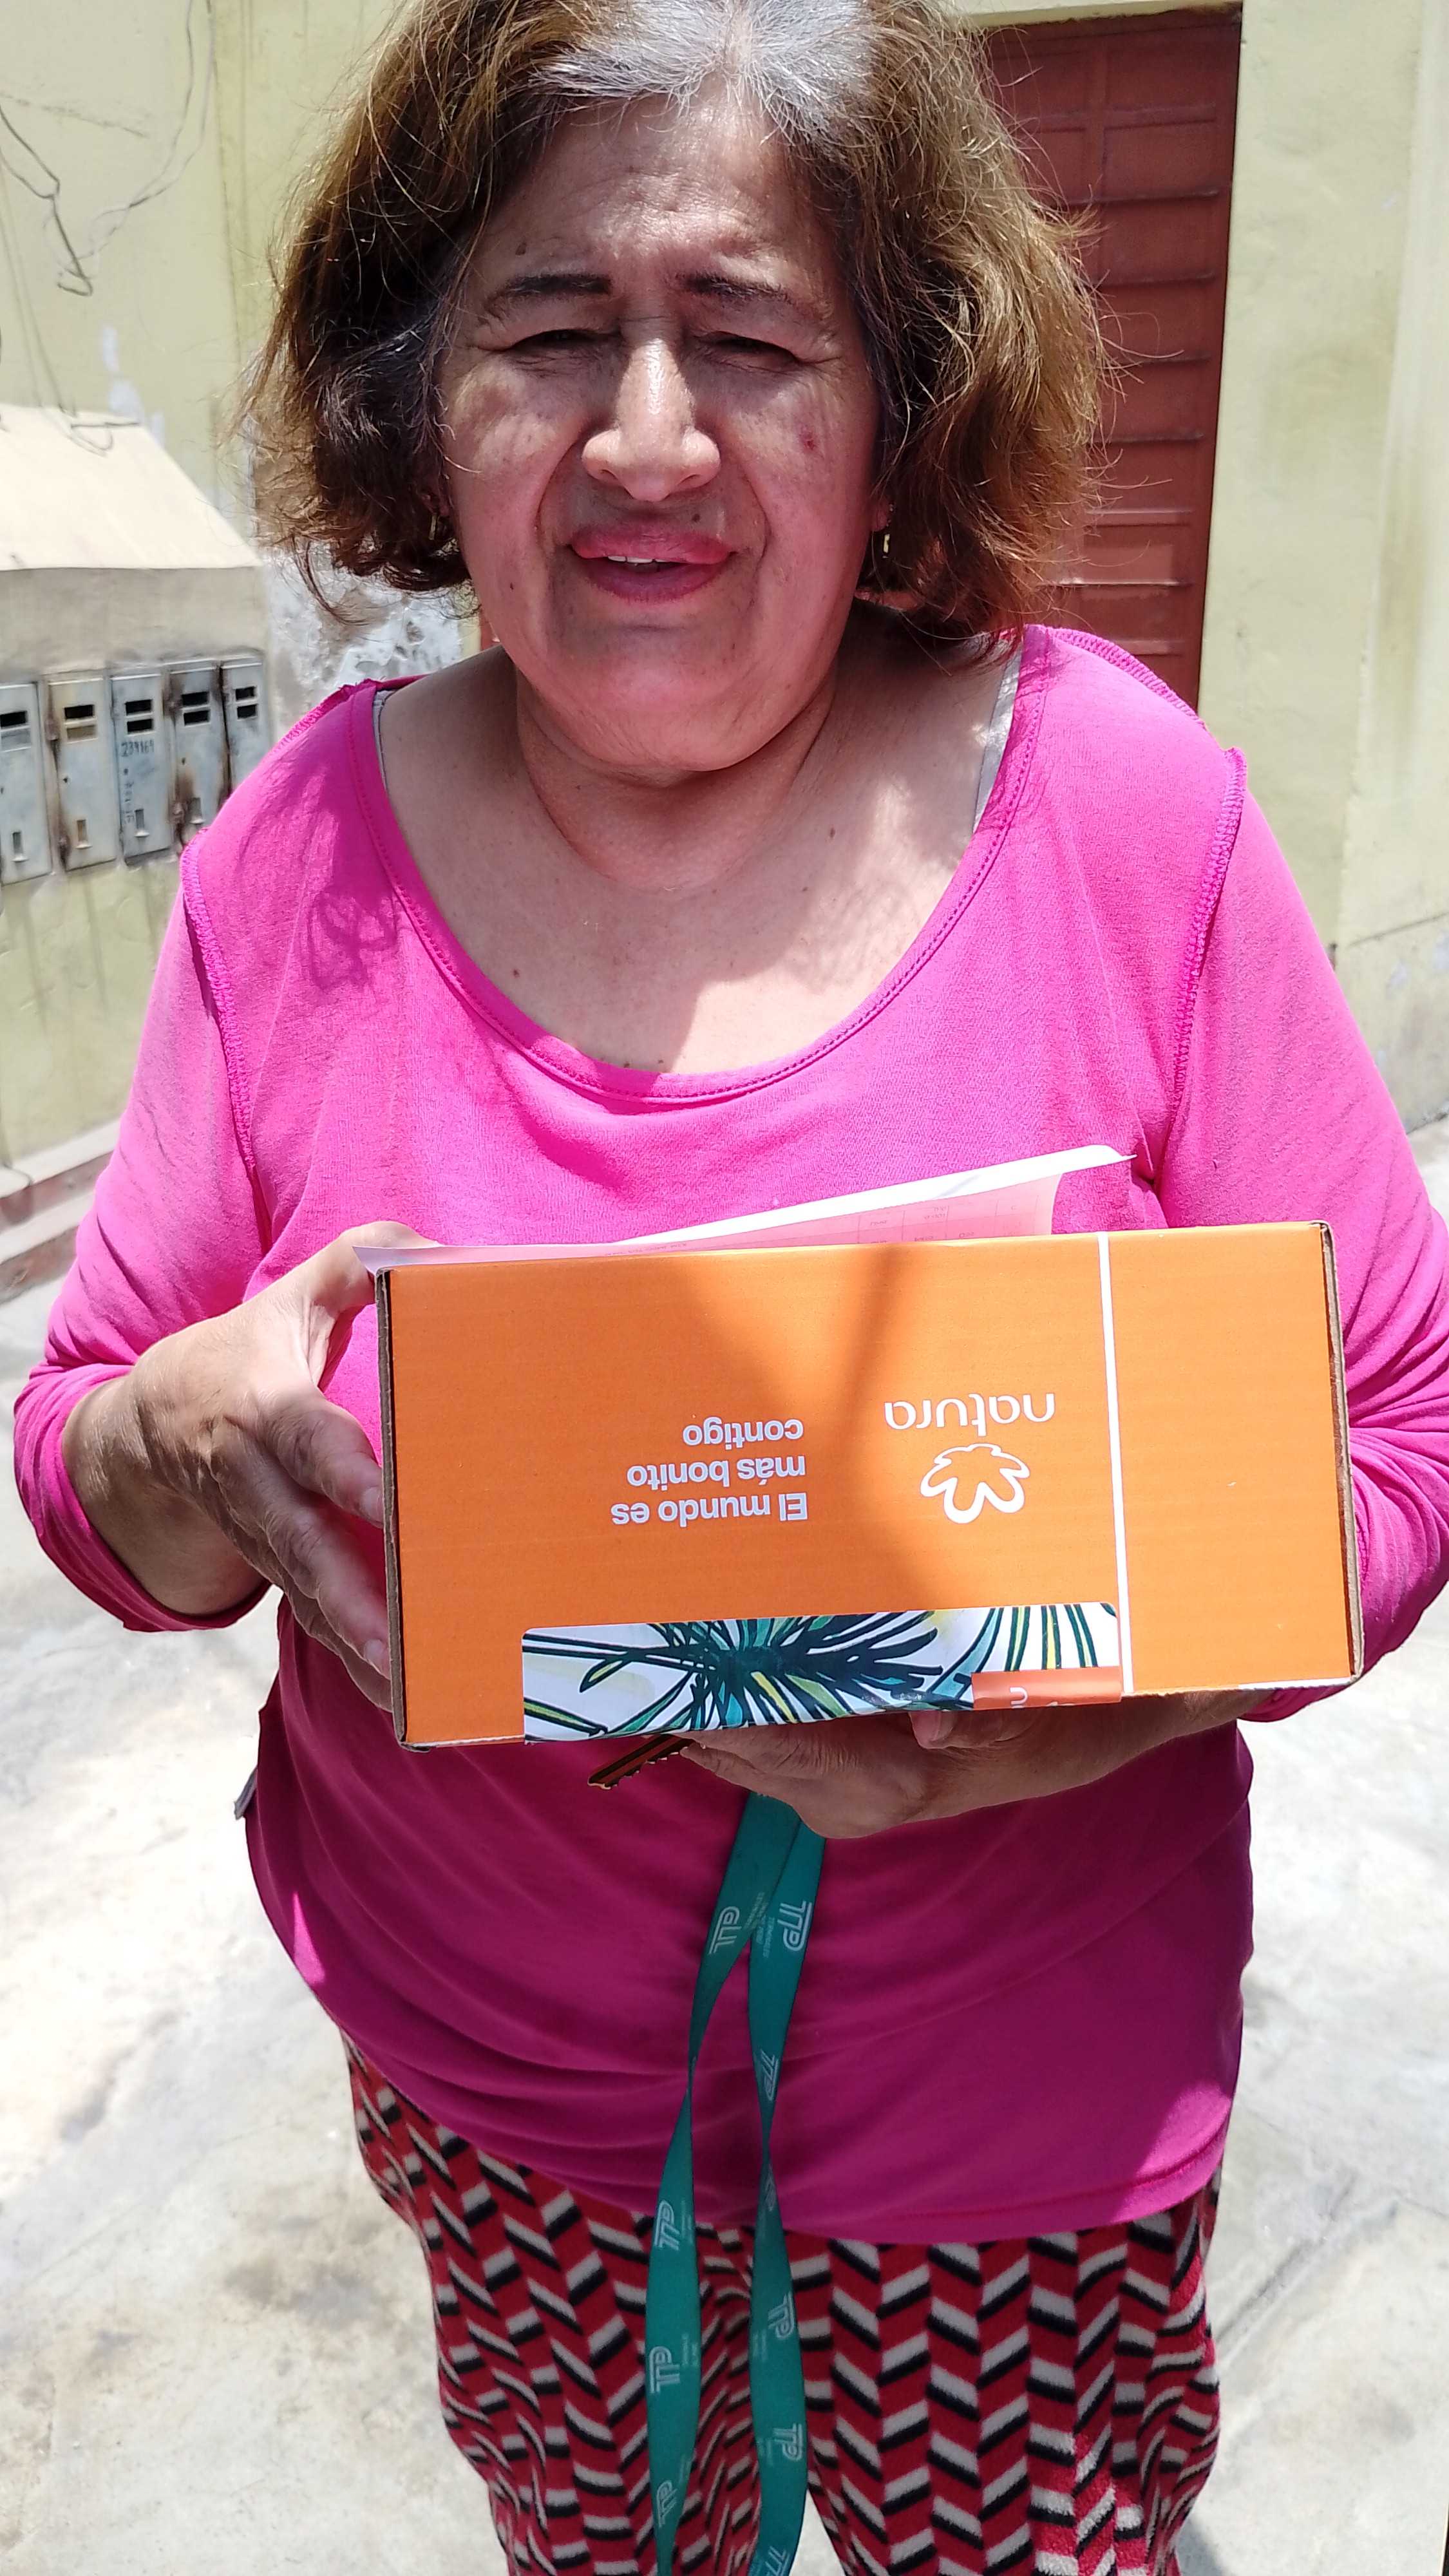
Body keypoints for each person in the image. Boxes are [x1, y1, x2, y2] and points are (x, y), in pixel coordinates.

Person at [15, 3, 1449, 2570]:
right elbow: (102, 1472)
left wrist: (1070, 1727)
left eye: (753, 338)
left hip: (1015, 2133)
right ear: (421, 398)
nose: (647, 438)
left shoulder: (1118, 812)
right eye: (552, 330)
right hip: (504, 2119)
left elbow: (1395, 1437)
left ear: (896, 405)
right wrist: (178, 1434)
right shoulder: (292, 863)